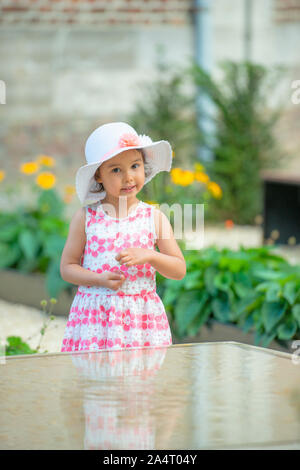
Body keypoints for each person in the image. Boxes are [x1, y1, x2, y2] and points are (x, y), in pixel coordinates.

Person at [60, 122, 186, 352]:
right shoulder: (86, 218)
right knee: (94, 381)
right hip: (95, 320)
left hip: (140, 321)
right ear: (98, 175)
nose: (128, 177)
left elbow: (178, 269)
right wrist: (98, 279)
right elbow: (67, 267)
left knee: (139, 382)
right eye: (116, 170)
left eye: (135, 166)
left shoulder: (153, 218)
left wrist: (150, 255)